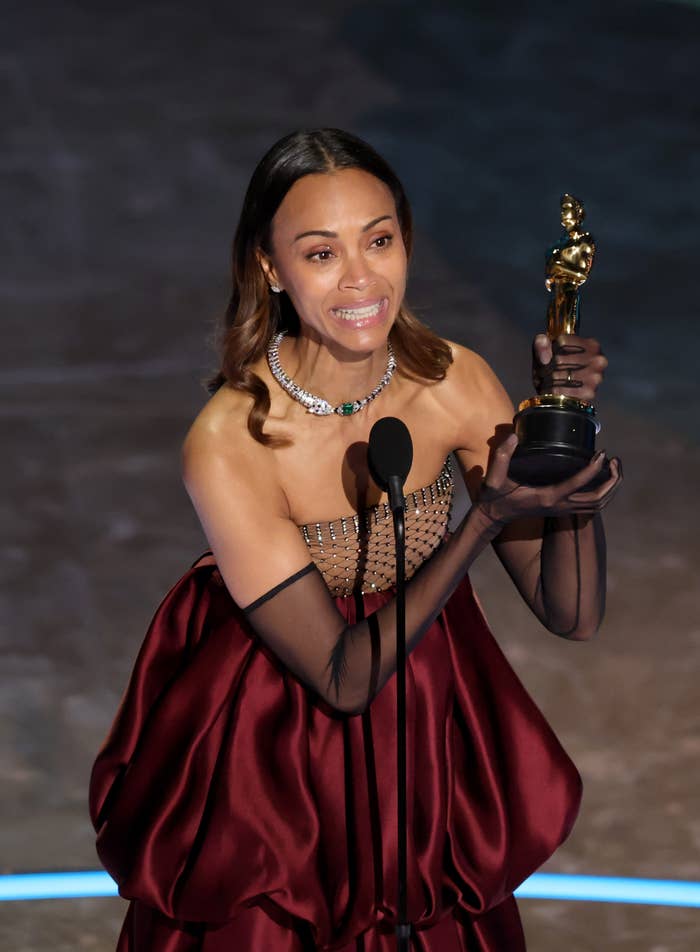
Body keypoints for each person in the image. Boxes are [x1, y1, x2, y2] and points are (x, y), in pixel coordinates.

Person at [89, 128, 622, 951]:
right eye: (320, 253)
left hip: (424, 725)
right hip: (273, 756)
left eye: (378, 240)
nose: (360, 278)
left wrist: (566, 447)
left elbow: (570, 610)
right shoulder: (232, 440)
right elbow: (340, 677)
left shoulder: (452, 381)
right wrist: (482, 518)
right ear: (269, 268)